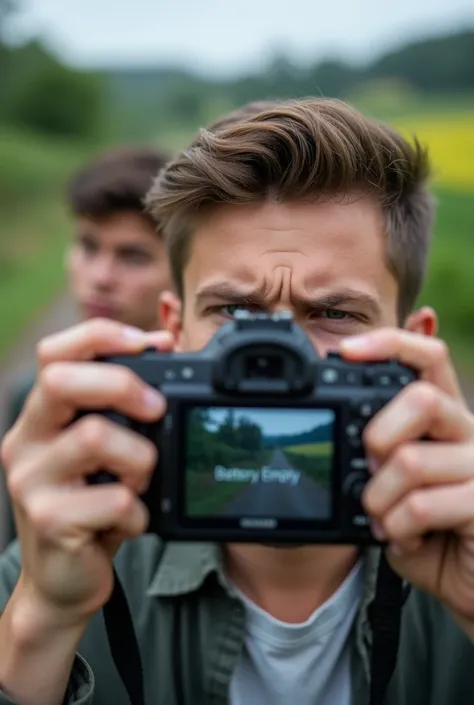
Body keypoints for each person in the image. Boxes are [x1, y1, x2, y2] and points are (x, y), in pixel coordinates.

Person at [1, 97, 474, 705]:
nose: (276, 360)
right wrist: (42, 618)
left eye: (334, 312)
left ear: (414, 348)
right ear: (172, 334)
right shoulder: (66, 556)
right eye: (235, 311)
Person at [1, 145, 173, 548]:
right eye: (88, 246)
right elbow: (21, 554)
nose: (100, 276)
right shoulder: (38, 391)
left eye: (133, 256)